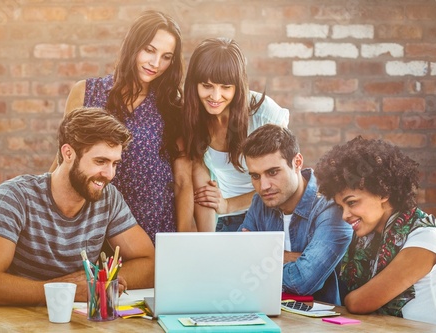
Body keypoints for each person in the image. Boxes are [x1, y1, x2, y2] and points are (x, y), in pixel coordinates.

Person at [0, 107, 155, 305]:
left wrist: (100, 281)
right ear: (68, 153)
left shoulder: (108, 198)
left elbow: (150, 264)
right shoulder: (14, 196)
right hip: (20, 321)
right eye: (100, 161)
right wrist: (64, 290)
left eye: (114, 163)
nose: (109, 174)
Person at [50, 10, 193, 241]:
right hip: (93, 223)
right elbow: (63, 159)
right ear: (133, 46)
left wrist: (184, 241)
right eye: (149, 50)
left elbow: (183, 180)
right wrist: (44, 209)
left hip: (154, 225)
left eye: (167, 56)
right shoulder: (86, 92)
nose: (156, 63)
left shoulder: (174, 107)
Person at [314, 136, 436, 327]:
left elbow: (359, 302)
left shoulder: (425, 239)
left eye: (351, 203)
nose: (345, 215)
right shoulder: (369, 241)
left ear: (383, 193)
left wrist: (349, 298)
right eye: (341, 207)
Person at [182, 37, 289, 232]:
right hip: (227, 219)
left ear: (238, 86)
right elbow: (205, 190)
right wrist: (207, 242)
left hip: (272, 213)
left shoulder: (264, 115)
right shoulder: (192, 120)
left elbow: (283, 181)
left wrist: (229, 204)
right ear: (194, 84)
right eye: (207, 86)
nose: (215, 97)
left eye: (225, 87)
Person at [238, 124, 352, 305]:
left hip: (319, 322)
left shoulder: (331, 206)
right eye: (255, 176)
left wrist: (263, 259)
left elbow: (302, 282)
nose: (264, 186)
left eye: (272, 172)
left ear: (297, 162)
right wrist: (291, 257)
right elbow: (235, 264)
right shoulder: (260, 202)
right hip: (263, 311)